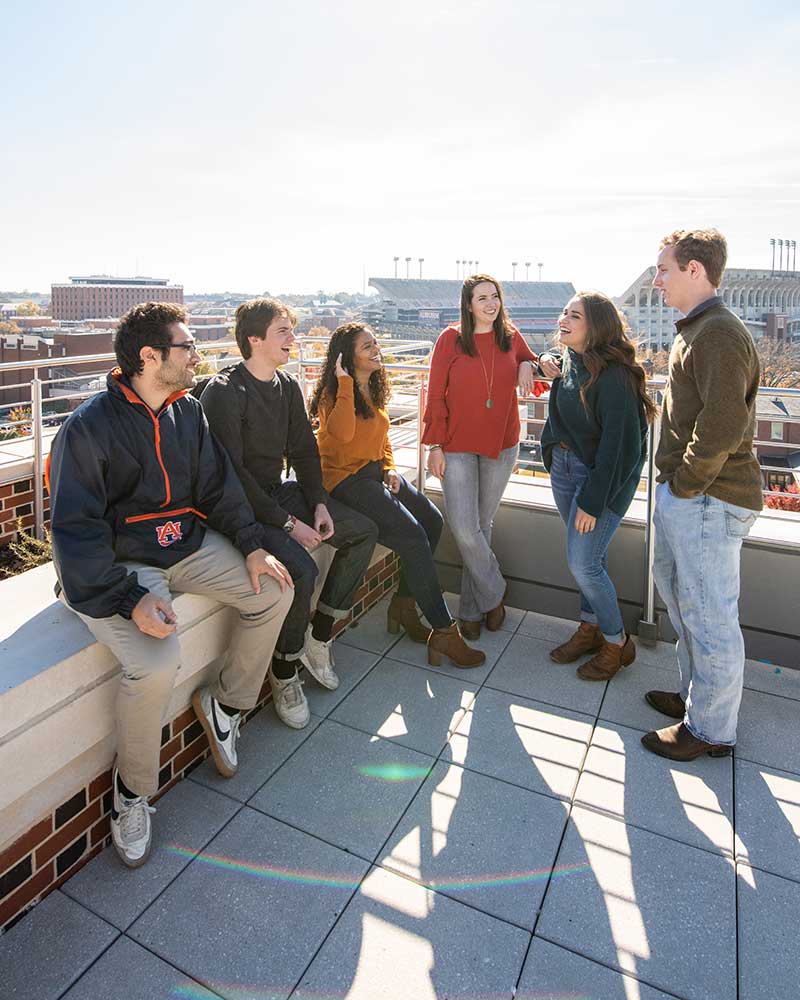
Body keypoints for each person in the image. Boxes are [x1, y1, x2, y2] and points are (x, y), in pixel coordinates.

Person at [47, 302, 294, 868]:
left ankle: (228, 705)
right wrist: (129, 599)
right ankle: (132, 794)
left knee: (274, 589)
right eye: (186, 347)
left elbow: (218, 488)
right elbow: (75, 532)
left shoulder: (188, 412)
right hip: (125, 561)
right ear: (149, 357)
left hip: (185, 543)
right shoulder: (88, 427)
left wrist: (253, 544)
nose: (196, 356)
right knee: (157, 661)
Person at [200, 298, 378, 730]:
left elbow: (302, 450)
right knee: (300, 570)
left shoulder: (285, 386)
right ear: (254, 339)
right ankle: (284, 671)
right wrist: (287, 524)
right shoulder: (224, 393)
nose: (293, 339)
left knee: (362, 531)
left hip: (278, 493)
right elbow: (234, 477)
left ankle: (318, 637)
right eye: (284, 332)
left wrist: (317, 502)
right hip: (240, 506)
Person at [642, 228, 762, 761]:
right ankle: (698, 699)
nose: (656, 278)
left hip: (708, 499)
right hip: (692, 496)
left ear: (696, 270)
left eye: (665, 268)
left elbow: (722, 425)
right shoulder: (696, 330)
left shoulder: (716, 333)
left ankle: (711, 730)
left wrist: (687, 485)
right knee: (684, 599)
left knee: (710, 614)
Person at [309, 322, 485, 668]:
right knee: (412, 536)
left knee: (432, 521)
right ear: (347, 358)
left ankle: (403, 606)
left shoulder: (372, 387)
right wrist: (344, 381)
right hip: (345, 480)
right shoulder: (335, 394)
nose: (376, 349)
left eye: (375, 343)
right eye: (366, 347)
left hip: (375, 472)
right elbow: (343, 436)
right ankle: (445, 632)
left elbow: (382, 437)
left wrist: (389, 467)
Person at [421, 274, 552, 638]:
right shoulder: (449, 339)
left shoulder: (510, 336)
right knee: (465, 528)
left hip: (502, 445)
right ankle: (494, 593)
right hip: (457, 445)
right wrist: (434, 444)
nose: (490, 303)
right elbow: (435, 394)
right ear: (468, 304)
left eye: (494, 296)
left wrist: (530, 363)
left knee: (480, 526)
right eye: (482, 298)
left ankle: (470, 612)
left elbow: (538, 368)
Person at [540, 292, 657, 679]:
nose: (564, 319)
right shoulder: (570, 362)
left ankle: (615, 641)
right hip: (564, 468)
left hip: (599, 482)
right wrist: (544, 362)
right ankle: (589, 629)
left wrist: (592, 501)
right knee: (589, 559)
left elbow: (619, 451)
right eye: (564, 312)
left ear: (596, 327)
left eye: (574, 315)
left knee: (583, 563)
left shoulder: (616, 377)